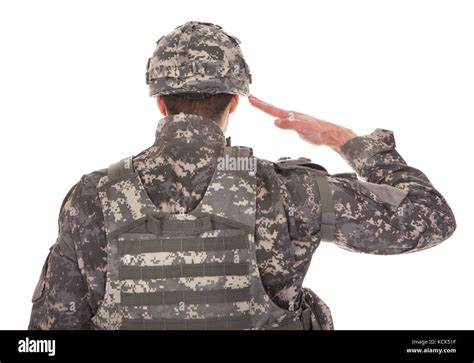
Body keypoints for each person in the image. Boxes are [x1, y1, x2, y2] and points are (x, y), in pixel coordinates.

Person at [28, 21, 456, 330]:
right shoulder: (289, 192)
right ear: (234, 102)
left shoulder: (90, 198)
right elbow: (431, 217)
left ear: (160, 102)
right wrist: (342, 138)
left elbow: (47, 338)